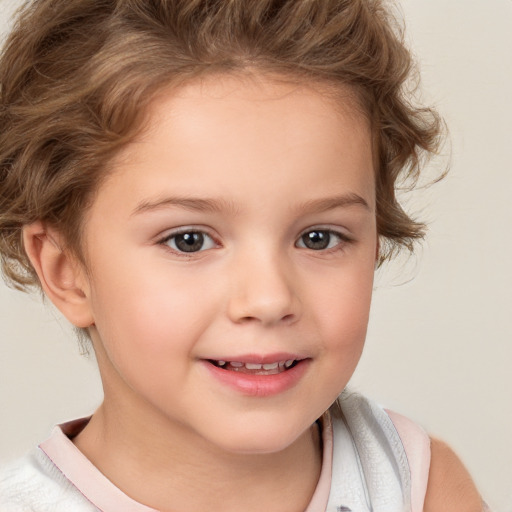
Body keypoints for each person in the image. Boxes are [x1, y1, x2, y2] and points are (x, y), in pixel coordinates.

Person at [0, 0, 487, 510]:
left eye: (319, 237)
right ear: (66, 270)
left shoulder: (415, 484)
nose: (269, 298)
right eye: (189, 239)